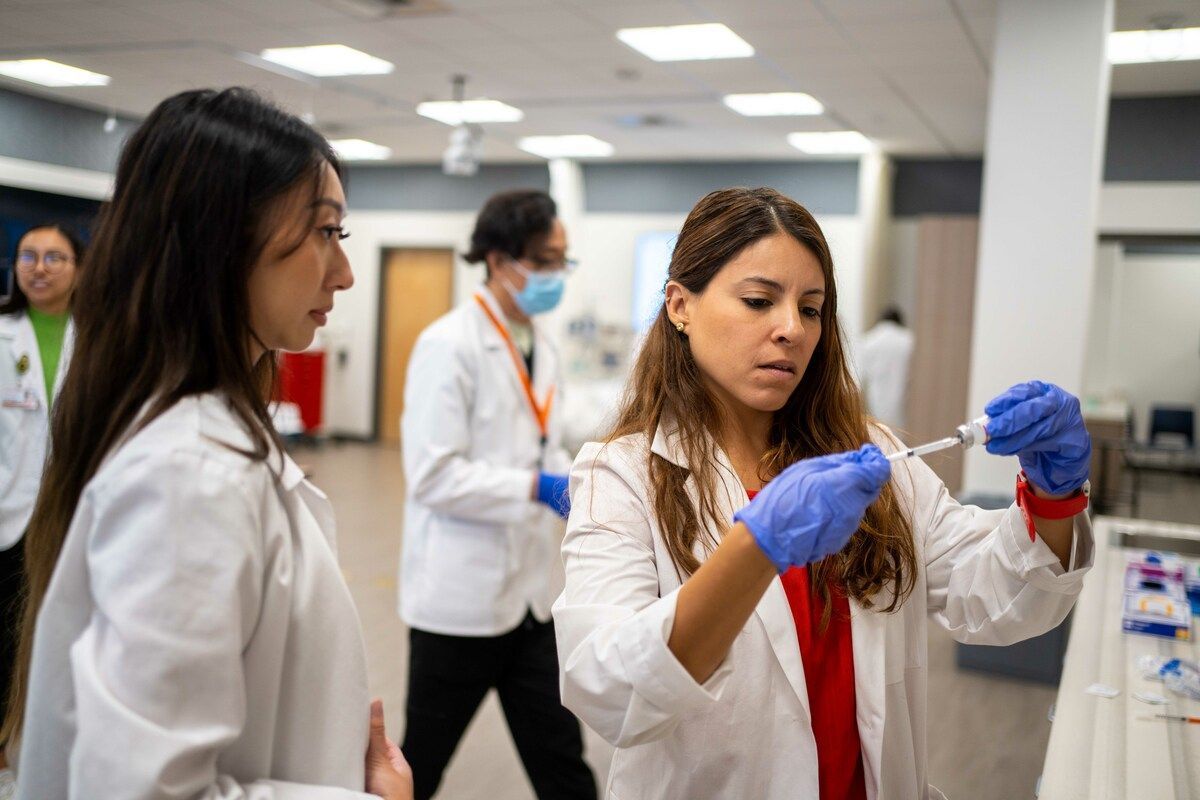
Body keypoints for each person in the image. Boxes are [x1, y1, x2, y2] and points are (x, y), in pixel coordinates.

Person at [553, 188, 1093, 799]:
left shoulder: (869, 455)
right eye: (759, 300)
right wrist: (755, 548)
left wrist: (1056, 495)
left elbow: (995, 598)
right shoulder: (620, 474)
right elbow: (612, 691)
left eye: (811, 309)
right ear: (680, 305)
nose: (791, 329)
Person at [6, 88, 412, 799]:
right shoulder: (187, 473)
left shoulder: (206, 442)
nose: (343, 273)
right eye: (325, 233)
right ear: (224, 237)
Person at [399, 190, 596, 800]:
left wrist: (579, 477)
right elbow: (433, 475)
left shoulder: (543, 343)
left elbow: (545, 438)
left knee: (564, 765)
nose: (554, 274)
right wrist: (536, 488)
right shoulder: (448, 344)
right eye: (542, 260)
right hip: (458, 609)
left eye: (562, 260)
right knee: (420, 765)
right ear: (496, 258)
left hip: (530, 604)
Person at [0, 223, 82, 735]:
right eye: (28, 257)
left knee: (60, 629)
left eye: (55, 257)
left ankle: (44, 733)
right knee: (4, 632)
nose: (39, 267)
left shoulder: (102, 339)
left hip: (70, 509)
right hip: (7, 512)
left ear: (80, 269)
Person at [856, 306, 914, 429]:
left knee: (881, 430)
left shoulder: (869, 340)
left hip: (876, 396)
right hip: (903, 396)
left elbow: (860, 374)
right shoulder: (909, 340)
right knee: (899, 433)